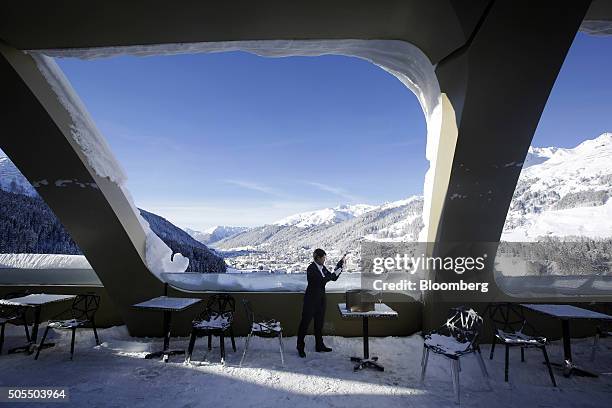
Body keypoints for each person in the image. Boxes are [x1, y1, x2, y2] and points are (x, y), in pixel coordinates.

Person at [296, 248, 346, 358]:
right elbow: (321, 281)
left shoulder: (322, 268)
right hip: (310, 301)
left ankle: (319, 345)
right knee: (304, 324)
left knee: (319, 325)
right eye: (323, 257)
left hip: (321, 300)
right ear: (318, 257)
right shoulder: (311, 269)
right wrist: (333, 273)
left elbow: (333, 278)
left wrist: (340, 266)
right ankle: (300, 347)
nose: (324, 259)